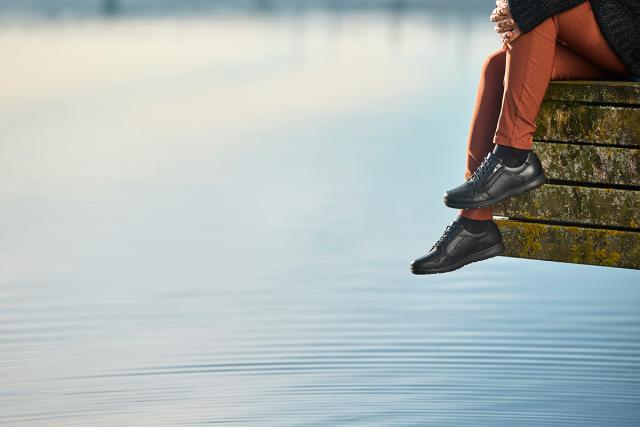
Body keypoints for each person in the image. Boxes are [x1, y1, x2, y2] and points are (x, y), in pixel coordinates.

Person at [410, 0, 640, 275]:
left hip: (628, 32)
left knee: (531, 6)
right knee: (496, 67)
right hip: (609, 38)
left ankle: (512, 155)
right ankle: (474, 224)